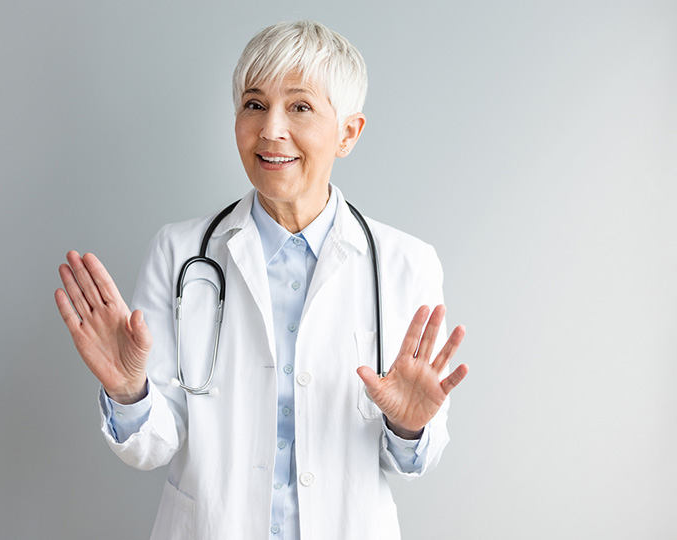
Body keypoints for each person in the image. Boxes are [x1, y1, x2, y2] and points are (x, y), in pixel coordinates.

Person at [55, 20, 468, 540]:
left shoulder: (406, 265)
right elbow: (153, 444)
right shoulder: (181, 254)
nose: (271, 129)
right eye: (254, 104)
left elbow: (413, 461)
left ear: (348, 132)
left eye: (299, 107)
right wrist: (128, 391)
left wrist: (408, 426)